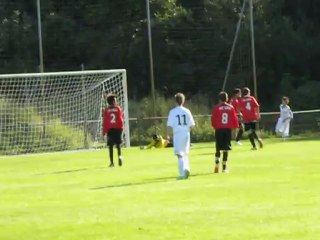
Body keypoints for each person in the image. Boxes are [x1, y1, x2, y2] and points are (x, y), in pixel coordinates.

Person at [167, 92, 195, 180]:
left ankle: (182, 173)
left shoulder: (172, 112)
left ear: (175, 101)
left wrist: (167, 135)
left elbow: (169, 125)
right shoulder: (187, 111)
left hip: (178, 134)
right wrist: (187, 132)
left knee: (179, 154)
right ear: (183, 101)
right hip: (186, 134)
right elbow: (192, 125)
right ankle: (187, 169)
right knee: (185, 153)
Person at [211, 92, 239, 173]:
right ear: (227, 99)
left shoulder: (216, 108)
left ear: (219, 99)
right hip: (227, 130)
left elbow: (213, 120)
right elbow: (235, 120)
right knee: (226, 149)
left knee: (218, 148)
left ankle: (216, 164)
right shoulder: (231, 107)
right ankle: (224, 167)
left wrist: (215, 127)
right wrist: (234, 131)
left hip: (219, 129)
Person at [103, 93, 124, 167]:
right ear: (114, 101)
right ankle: (120, 156)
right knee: (118, 144)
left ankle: (112, 163)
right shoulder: (118, 108)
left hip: (110, 129)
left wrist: (104, 132)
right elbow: (120, 119)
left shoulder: (106, 110)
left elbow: (105, 121)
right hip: (118, 128)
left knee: (110, 146)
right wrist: (121, 128)